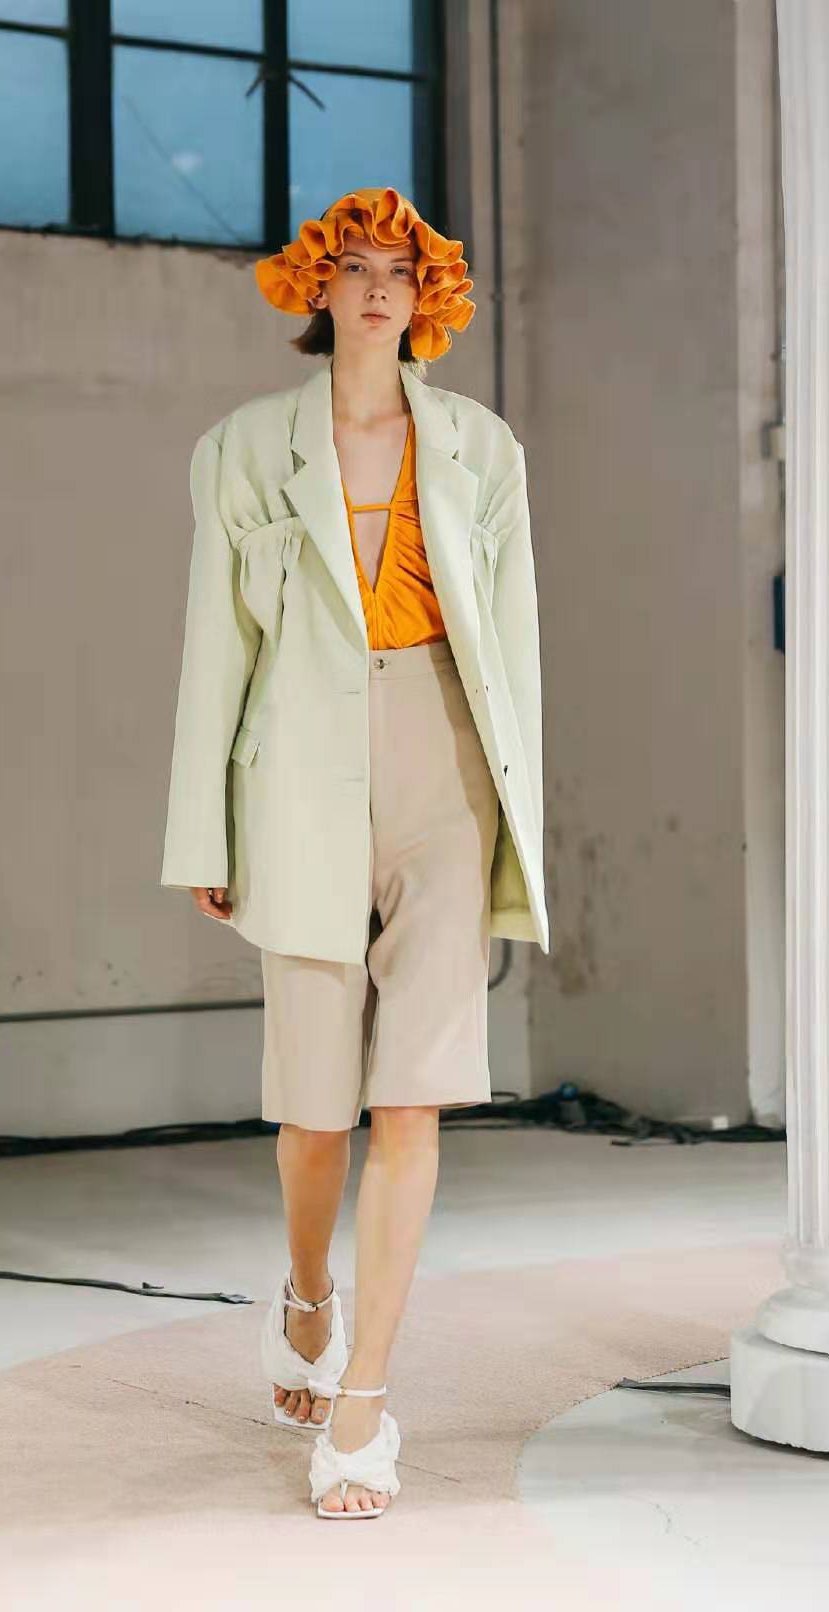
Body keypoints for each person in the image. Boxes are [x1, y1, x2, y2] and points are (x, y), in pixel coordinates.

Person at [160, 187, 550, 1520]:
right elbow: (217, 646)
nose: (380, 287)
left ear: (428, 298)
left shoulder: (483, 448)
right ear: (316, 289)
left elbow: (514, 646)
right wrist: (203, 826)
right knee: (316, 1111)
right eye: (357, 267)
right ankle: (309, 1292)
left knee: (414, 1096)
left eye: (402, 269)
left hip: (447, 768)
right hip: (296, 778)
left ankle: (365, 1402)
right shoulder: (241, 449)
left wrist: (515, 822)